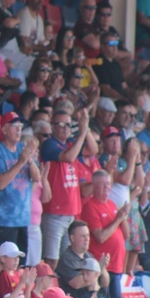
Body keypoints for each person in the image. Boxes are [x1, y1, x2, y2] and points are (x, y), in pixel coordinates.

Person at [41, 109, 97, 268]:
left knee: (67, 260)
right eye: (61, 124)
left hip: (70, 213)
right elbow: (68, 157)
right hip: (54, 212)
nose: (65, 128)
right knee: (52, 259)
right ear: (53, 126)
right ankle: (48, 284)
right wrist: (82, 133)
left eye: (68, 124)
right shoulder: (49, 144)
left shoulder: (71, 143)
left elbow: (93, 150)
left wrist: (85, 128)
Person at [0, 112, 40, 257]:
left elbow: (37, 178)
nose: (18, 130)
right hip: (3, 221)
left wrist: (29, 161)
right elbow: (0, 183)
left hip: (22, 219)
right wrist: (21, 162)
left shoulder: (22, 148)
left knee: (20, 265)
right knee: (5, 263)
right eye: (14, 126)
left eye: (20, 126)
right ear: (4, 130)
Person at [80, 169, 129, 298]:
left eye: (108, 184)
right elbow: (100, 236)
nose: (107, 187)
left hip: (116, 264)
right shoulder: (90, 206)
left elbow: (126, 235)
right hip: (102, 266)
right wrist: (118, 219)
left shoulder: (112, 204)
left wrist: (123, 216)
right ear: (94, 186)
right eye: (102, 184)